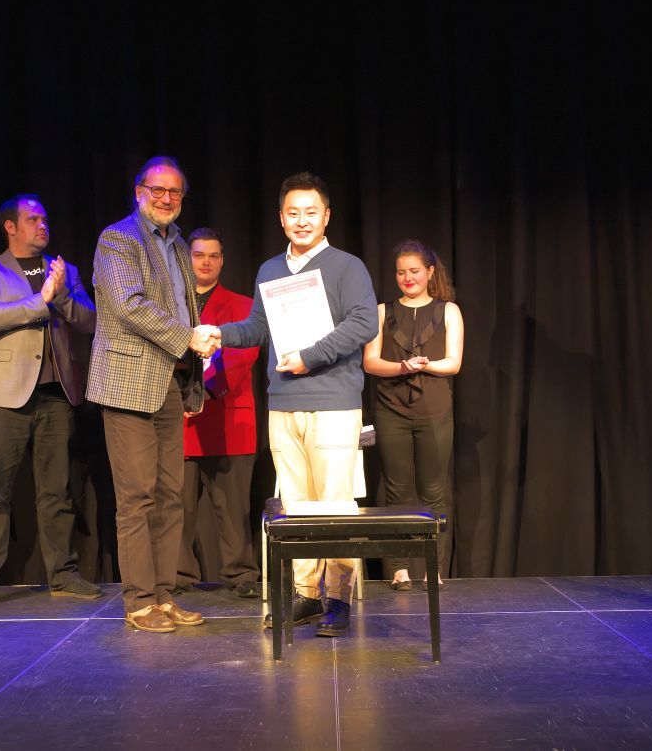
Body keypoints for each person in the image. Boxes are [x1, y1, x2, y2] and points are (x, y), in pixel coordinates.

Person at [198, 171, 377, 637]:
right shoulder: (270, 270)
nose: (302, 221)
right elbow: (258, 328)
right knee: (295, 504)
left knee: (334, 503)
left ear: (327, 216)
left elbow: (364, 323)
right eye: (293, 213)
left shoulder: (347, 266)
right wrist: (220, 334)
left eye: (311, 212)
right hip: (283, 402)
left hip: (333, 402)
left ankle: (337, 598)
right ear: (281, 218)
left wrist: (310, 356)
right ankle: (306, 594)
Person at [0, 195, 99, 612]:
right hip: (4, 395)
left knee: (57, 490)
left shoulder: (64, 270)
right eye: (33, 219)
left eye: (45, 219)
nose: (42, 225)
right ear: (10, 226)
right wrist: (40, 301)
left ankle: (63, 573)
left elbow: (90, 320)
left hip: (56, 395)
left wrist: (60, 294)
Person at [89, 156, 214, 633]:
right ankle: (140, 600)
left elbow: (184, 307)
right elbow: (130, 305)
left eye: (174, 191)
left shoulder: (179, 244)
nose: (166, 198)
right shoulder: (118, 238)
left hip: (169, 383)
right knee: (137, 497)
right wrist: (188, 338)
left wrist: (195, 363)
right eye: (157, 189)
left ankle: (164, 595)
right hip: (128, 382)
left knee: (170, 496)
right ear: (138, 190)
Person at [362, 240, 464, 591]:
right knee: (397, 492)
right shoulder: (382, 311)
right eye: (401, 272)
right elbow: (371, 362)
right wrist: (402, 366)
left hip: (435, 411)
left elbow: (454, 362)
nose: (408, 277)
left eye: (415, 271)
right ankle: (400, 568)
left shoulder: (448, 310)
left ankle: (433, 569)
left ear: (430, 272)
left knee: (434, 491)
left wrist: (425, 365)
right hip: (392, 411)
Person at [178, 228, 262, 598]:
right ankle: (178, 575)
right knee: (179, 508)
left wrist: (204, 392)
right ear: (187, 259)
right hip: (181, 421)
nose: (206, 262)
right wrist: (183, 398)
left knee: (233, 508)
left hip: (228, 417)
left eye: (213, 255)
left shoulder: (242, 305)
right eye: (199, 255)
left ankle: (241, 574)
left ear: (223, 260)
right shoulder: (173, 304)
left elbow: (243, 355)